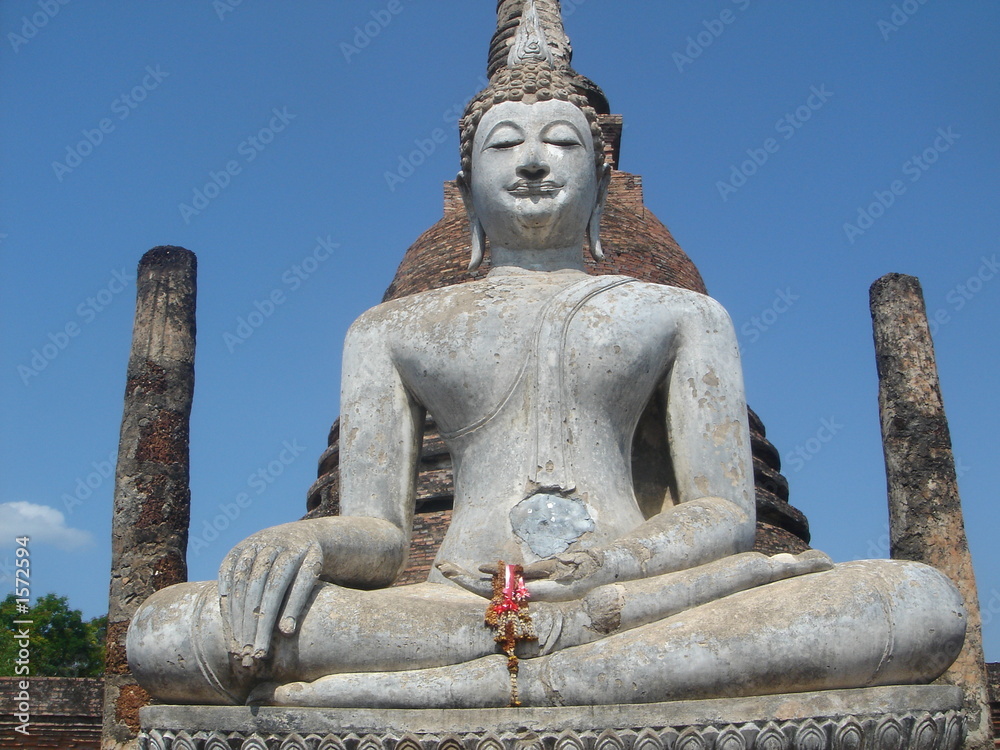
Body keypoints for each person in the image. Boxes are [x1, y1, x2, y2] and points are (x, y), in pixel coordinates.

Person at [127, 3, 966, 709]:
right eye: (503, 145)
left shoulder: (682, 313)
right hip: (451, 601)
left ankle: (456, 691)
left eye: (562, 142)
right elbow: (384, 534)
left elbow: (723, 515)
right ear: (465, 181)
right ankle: (565, 679)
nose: (532, 161)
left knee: (914, 605)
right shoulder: (389, 328)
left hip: (629, 601)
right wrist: (300, 545)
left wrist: (605, 571)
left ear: (605, 176)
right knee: (171, 631)